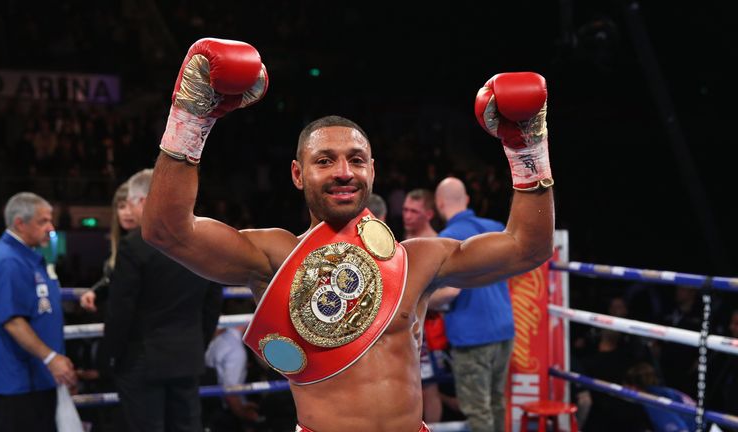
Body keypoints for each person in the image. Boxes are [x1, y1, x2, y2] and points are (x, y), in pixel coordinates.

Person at [142, 38, 554, 432]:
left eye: (356, 160)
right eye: (325, 160)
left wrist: (527, 151)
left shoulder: (418, 259)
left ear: (372, 171)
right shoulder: (275, 255)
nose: (343, 171)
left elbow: (527, 248)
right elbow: (167, 231)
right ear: (297, 174)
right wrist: (191, 118)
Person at [101, 169, 223, 432]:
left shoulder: (133, 245)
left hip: (142, 360)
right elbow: (213, 301)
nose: (130, 212)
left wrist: (108, 356)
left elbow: (121, 310)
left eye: (132, 203)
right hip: (186, 356)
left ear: (144, 201)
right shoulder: (202, 241)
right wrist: (196, 342)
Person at [0, 192, 77, 432]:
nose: (50, 228)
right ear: (20, 223)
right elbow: (12, 321)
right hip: (18, 384)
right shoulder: (7, 261)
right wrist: (52, 359)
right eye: (43, 221)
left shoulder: (25, 257)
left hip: (35, 379)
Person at [427, 177, 514, 432]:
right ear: (466, 200)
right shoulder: (496, 227)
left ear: (439, 203)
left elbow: (450, 292)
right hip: (504, 329)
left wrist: (419, 298)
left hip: (473, 335)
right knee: (497, 401)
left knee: (478, 411)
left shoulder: (445, 239)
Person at [401, 188, 445, 424]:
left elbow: (452, 290)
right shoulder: (398, 241)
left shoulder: (438, 244)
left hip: (428, 327)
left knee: (427, 386)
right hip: (402, 323)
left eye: (414, 211)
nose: (408, 215)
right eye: (406, 210)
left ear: (428, 214)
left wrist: (414, 296)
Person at [79, 181, 138, 312]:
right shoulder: (121, 243)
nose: (127, 213)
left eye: (131, 206)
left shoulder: (155, 244)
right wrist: (95, 292)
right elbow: (113, 279)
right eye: (122, 207)